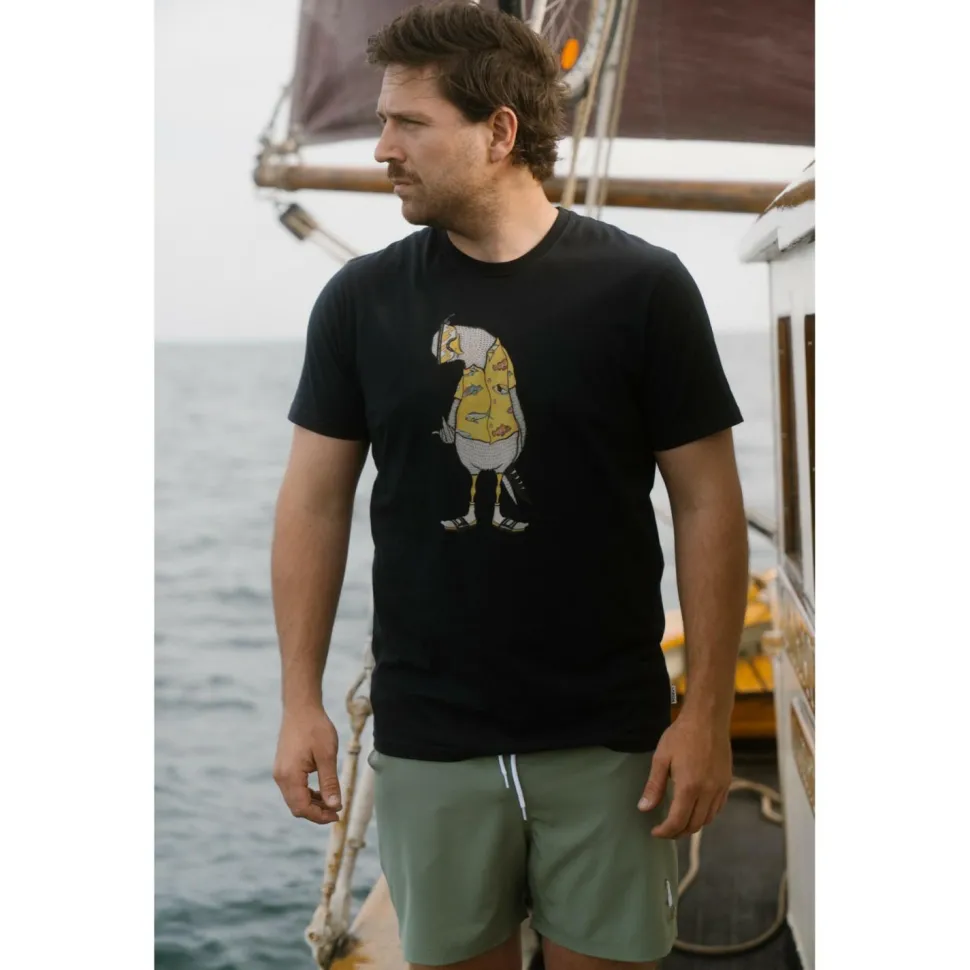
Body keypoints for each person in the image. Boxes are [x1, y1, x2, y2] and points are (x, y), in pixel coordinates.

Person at [271, 3, 749, 969]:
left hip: (610, 739)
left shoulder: (644, 289)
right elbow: (313, 503)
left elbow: (707, 502)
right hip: (429, 737)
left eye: (410, 123)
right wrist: (299, 700)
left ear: (499, 131)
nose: (382, 148)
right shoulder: (360, 301)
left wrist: (704, 715)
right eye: (383, 121)